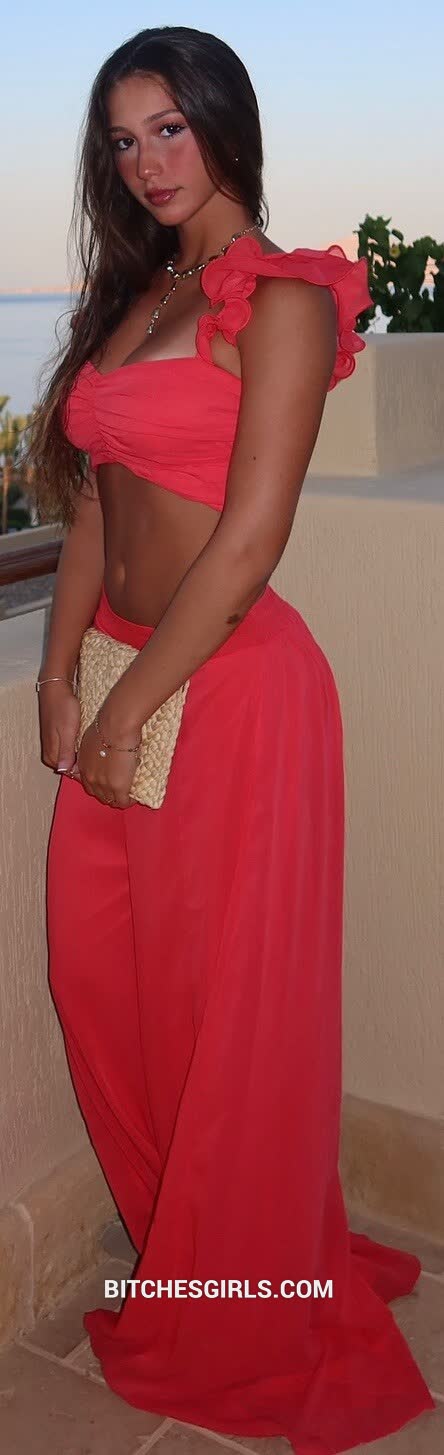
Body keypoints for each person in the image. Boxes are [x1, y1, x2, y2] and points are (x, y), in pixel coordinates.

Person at [26, 24, 436, 1455]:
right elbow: (97, 501)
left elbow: (251, 539)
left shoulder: (288, 297)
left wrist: (130, 705)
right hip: (123, 674)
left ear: (225, 125)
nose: (146, 161)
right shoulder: (138, 294)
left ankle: (238, 1297)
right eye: (122, 138)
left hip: (231, 694)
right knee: (109, 989)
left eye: (169, 128)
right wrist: (58, 672)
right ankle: (197, 1250)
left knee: (230, 1023)